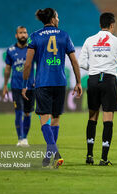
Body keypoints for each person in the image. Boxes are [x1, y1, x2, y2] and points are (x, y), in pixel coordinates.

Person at [22, 8, 82, 168]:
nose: (59, 19)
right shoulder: (64, 35)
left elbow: (27, 64)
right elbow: (75, 62)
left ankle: (54, 153)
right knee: (55, 119)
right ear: (53, 19)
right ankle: (48, 157)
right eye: (57, 16)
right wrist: (78, 82)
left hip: (43, 82)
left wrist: (25, 84)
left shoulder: (34, 36)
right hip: (60, 83)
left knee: (44, 120)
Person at [79, 12, 117, 166]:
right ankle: (103, 158)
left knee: (92, 117)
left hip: (94, 79)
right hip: (109, 79)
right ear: (112, 25)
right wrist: (114, 65)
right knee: (107, 118)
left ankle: (89, 155)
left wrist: (94, 68)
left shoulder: (89, 40)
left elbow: (82, 63)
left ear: (100, 24)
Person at [2, 26, 35, 147]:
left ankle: (25, 138)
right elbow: (7, 69)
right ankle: (20, 138)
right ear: (16, 35)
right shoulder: (10, 50)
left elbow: (39, 65)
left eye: (25, 33)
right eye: (20, 33)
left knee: (27, 113)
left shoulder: (32, 49)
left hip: (30, 86)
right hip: (16, 86)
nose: (23, 35)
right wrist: (5, 85)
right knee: (18, 112)